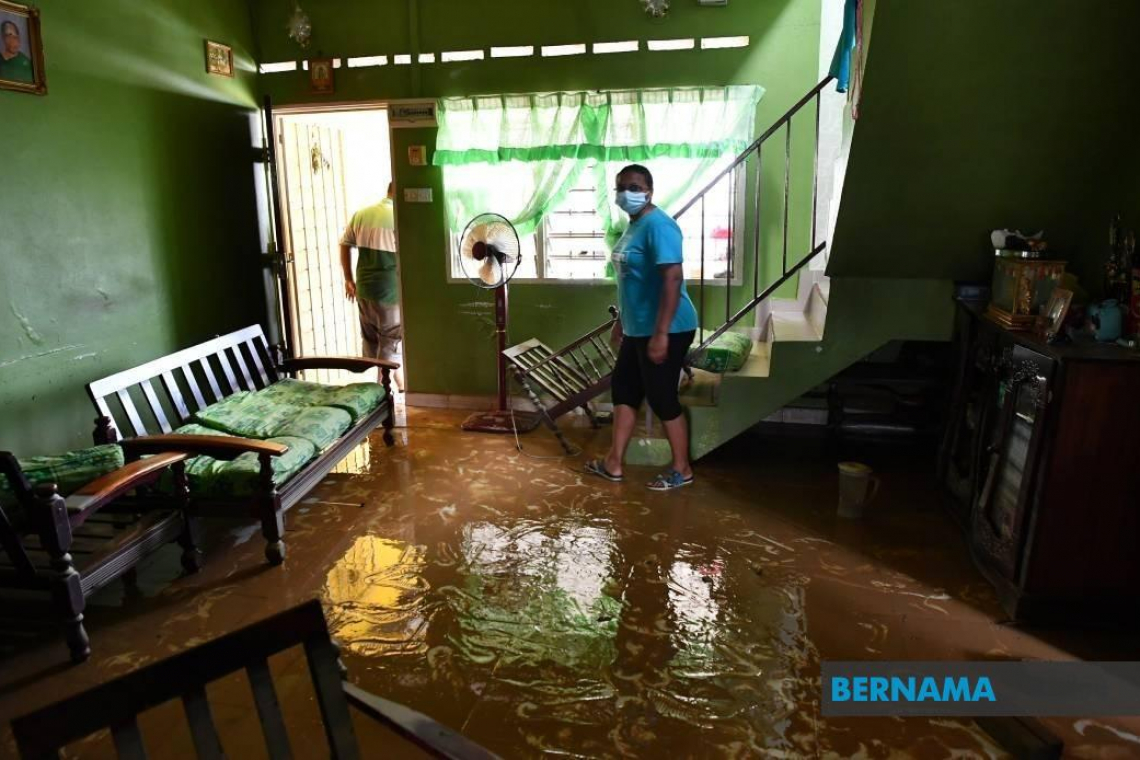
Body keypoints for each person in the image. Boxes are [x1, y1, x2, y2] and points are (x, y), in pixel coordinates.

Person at [586, 164, 699, 491]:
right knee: (624, 390)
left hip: (669, 327)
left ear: (649, 190)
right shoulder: (633, 226)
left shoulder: (659, 226)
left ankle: (683, 469)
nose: (626, 193)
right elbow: (630, 281)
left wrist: (661, 333)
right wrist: (622, 322)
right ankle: (614, 463)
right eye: (621, 187)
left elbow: (672, 278)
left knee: (662, 398)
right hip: (638, 328)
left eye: (634, 186)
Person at [340, 182, 403, 390]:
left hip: (364, 290)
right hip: (390, 292)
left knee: (373, 341)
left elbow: (344, 244)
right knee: (390, 342)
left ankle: (398, 386)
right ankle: (380, 393)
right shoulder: (399, 218)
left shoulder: (361, 214)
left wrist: (348, 278)